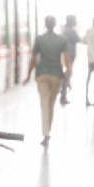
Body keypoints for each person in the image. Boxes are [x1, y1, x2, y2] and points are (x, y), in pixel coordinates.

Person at [24, 16, 71, 146]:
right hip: (56, 74)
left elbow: (33, 59)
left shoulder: (39, 39)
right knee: (51, 102)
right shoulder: (62, 40)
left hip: (42, 74)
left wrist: (28, 75)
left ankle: (46, 133)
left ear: (45, 24)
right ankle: (48, 130)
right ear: (55, 24)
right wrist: (68, 79)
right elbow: (67, 60)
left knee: (44, 102)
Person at [59, 15, 80, 105]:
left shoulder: (65, 30)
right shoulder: (70, 31)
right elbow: (78, 39)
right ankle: (63, 96)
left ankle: (63, 95)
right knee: (67, 75)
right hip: (69, 55)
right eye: (75, 20)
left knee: (67, 75)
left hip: (67, 54)